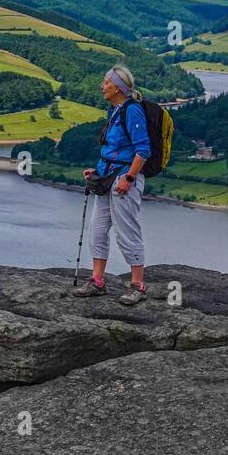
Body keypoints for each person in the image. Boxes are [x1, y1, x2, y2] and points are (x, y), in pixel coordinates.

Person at [75, 64, 150, 306]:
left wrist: (129, 179)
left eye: (105, 82)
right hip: (107, 176)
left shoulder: (132, 111)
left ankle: (138, 284)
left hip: (124, 179)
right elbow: (113, 148)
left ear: (117, 87)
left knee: (127, 230)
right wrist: (97, 170)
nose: (102, 86)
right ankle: (97, 281)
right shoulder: (114, 109)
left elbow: (143, 150)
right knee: (97, 228)